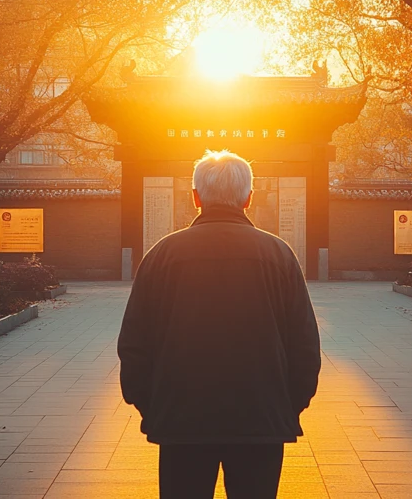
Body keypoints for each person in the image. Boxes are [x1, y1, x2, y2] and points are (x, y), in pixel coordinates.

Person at [118, 149, 321, 499]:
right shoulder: (279, 254)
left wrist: (152, 406)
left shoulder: (162, 255)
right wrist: (288, 406)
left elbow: (135, 344)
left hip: (182, 420)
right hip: (261, 419)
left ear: (195, 197)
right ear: (248, 197)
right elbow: (304, 346)